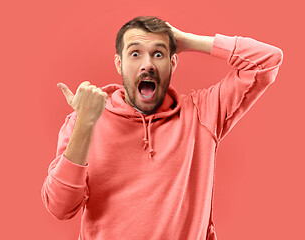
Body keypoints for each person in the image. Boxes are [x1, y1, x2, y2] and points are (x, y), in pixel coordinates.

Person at [41, 16, 283, 240]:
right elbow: (60, 208)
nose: (148, 65)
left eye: (158, 54)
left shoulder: (202, 113)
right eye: (135, 54)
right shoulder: (82, 121)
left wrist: (187, 40)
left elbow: (267, 60)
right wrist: (86, 123)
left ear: (173, 62)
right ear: (119, 64)